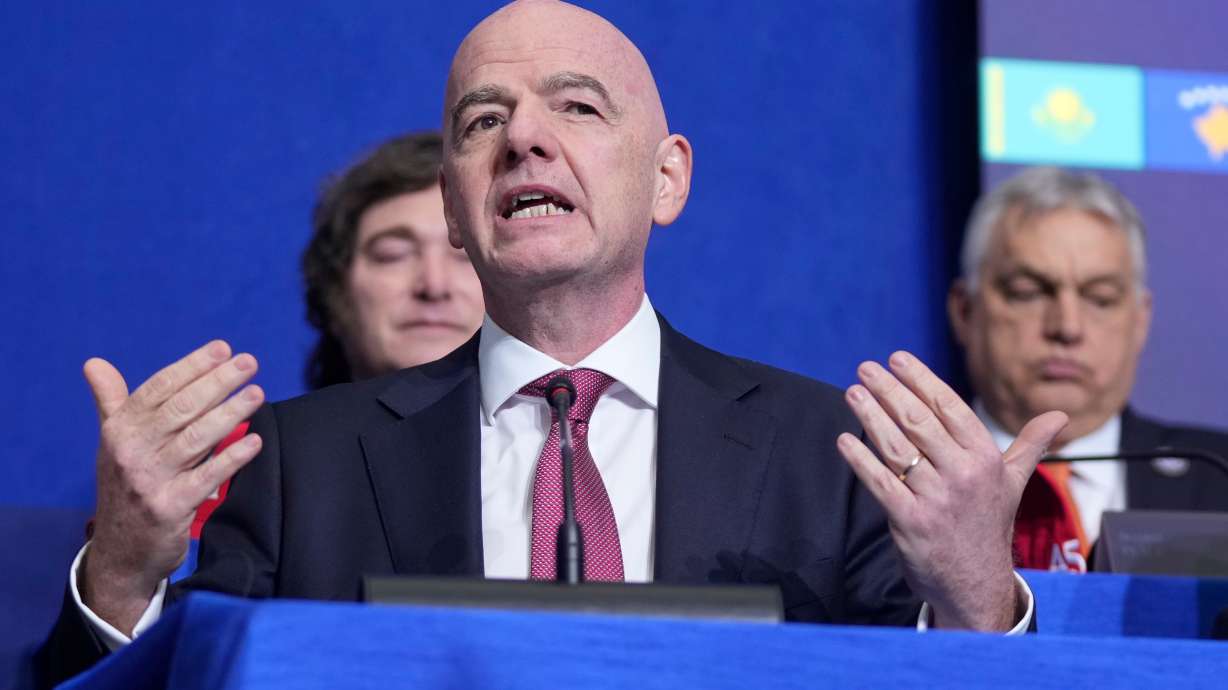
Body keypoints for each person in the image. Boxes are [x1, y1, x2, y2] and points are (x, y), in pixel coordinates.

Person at [39, 2, 1067, 685]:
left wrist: (975, 594)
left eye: (576, 107)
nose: (525, 137)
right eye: (483, 121)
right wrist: (123, 574)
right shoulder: (300, 465)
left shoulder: (828, 453)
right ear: (452, 201)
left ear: (668, 179)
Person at [179, 130, 485, 569]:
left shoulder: (560, 455)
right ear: (335, 292)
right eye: (393, 254)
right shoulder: (242, 462)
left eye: (463, 254)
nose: (433, 286)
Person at [947, 166, 1228, 572]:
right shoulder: (888, 484)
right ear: (965, 311)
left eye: (1100, 298)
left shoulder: (1218, 477)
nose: (1067, 327)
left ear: (1140, 321)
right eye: (1028, 293)